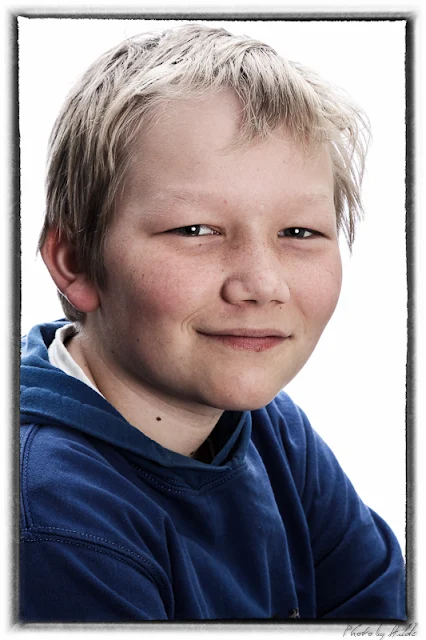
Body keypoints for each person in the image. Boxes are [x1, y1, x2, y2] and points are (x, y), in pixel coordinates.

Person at [20, 23, 406, 622]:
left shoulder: (272, 431)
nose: (262, 284)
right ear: (76, 262)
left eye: (298, 232)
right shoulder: (52, 519)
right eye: (195, 230)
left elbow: (385, 614)